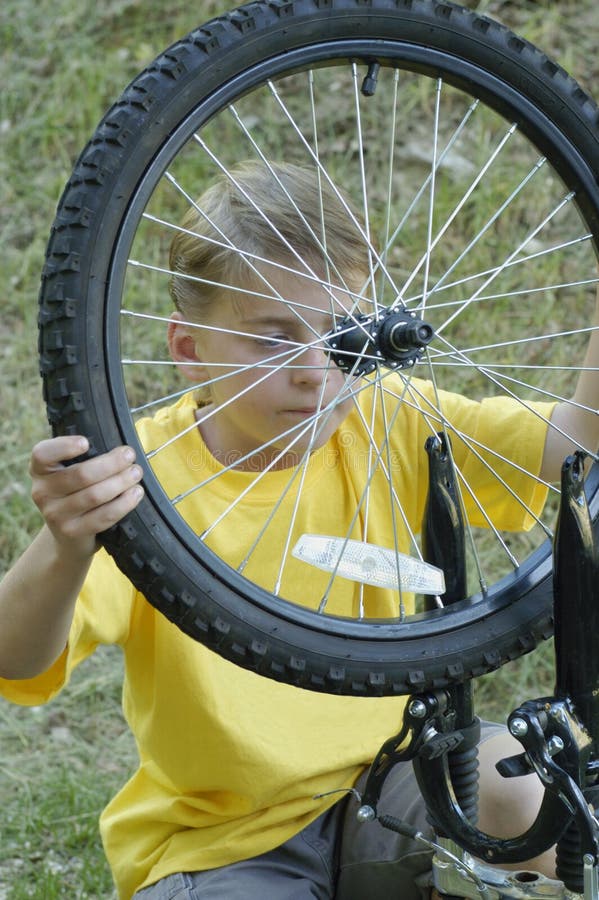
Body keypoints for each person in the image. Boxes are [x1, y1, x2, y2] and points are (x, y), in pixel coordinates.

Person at [0, 161, 597, 900]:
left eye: (340, 333)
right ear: (188, 349)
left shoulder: (392, 417)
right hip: (224, 843)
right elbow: (17, 660)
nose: (316, 370)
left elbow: (576, 448)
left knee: (520, 791)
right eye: (272, 340)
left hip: (392, 785)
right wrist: (65, 543)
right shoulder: (143, 478)